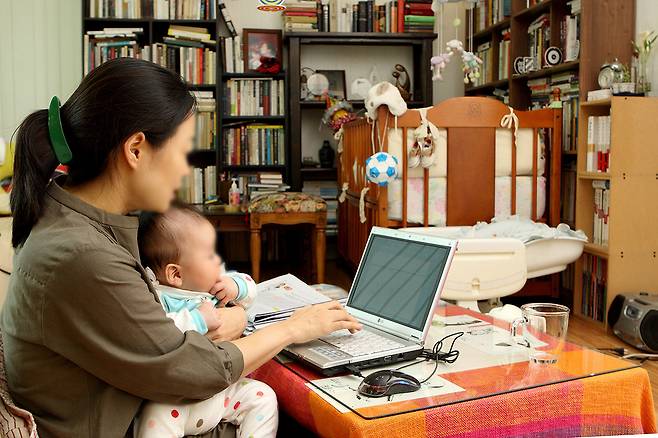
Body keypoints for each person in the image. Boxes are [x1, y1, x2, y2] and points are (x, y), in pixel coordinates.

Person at [1, 57, 361, 438]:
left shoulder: (74, 224)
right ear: (136, 149)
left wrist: (237, 320)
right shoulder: (81, 253)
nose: (185, 169)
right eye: (183, 150)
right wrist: (293, 328)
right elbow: (190, 370)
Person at [135, 206, 276, 438]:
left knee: (263, 397)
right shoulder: (160, 299)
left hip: (222, 393)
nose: (218, 261)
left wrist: (236, 287)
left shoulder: (213, 285)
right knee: (154, 417)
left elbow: (250, 289)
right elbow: (161, 333)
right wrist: (198, 320)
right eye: (209, 255)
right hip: (177, 402)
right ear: (176, 275)